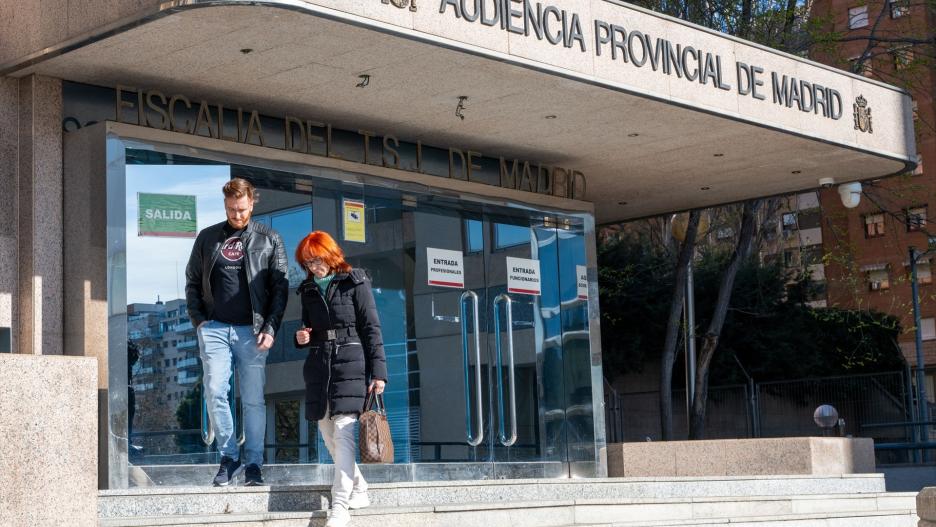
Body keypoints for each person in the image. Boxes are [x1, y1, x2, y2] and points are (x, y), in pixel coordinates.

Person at [185, 177, 288, 487]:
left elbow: (280, 289)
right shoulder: (207, 238)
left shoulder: (269, 239)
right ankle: (229, 458)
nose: (238, 216)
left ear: (252, 203)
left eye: (242, 210)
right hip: (214, 328)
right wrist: (199, 320)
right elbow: (192, 280)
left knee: (254, 400)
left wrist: (270, 327)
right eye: (232, 210)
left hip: (253, 331)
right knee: (216, 391)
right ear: (225, 205)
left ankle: (254, 463)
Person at [294, 231, 387, 527]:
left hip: (351, 364)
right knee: (329, 437)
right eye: (307, 262)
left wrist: (379, 373)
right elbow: (306, 328)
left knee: (345, 435)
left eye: (317, 260)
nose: (313, 267)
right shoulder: (307, 289)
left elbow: (371, 328)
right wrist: (302, 337)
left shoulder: (355, 281)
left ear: (330, 255)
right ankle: (359, 487)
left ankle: (340, 506)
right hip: (321, 366)